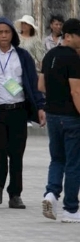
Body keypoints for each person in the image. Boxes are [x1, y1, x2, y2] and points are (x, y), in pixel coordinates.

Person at [0, 16, 46, 209]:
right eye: (0, 32)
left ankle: (15, 194)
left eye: (7, 32)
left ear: (13, 34)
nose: (4, 35)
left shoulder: (22, 56)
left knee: (16, 153)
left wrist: (40, 107)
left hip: (18, 110)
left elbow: (33, 83)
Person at [39, 17, 80, 222]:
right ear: (70, 36)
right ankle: (71, 209)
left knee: (57, 159)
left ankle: (51, 194)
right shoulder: (73, 58)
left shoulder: (50, 55)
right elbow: (76, 91)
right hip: (71, 117)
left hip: (53, 115)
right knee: (73, 163)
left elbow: (41, 86)